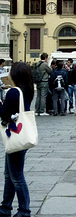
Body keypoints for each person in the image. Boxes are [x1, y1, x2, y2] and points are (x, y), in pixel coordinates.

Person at [0, 63, 35, 217]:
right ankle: (5, 207)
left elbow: (4, 114)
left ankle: (24, 210)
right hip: (19, 135)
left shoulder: (14, 92)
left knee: (16, 176)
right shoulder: (25, 90)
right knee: (10, 174)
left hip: (16, 136)